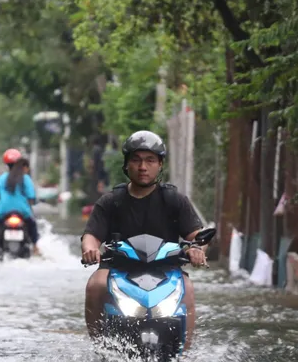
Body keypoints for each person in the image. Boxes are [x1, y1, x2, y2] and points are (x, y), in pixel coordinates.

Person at [80, 130, 207, 346]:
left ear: (160, 165)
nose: (142, 167)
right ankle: (100, 347)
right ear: (126, 164)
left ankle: (184, 355)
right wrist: (90, 249)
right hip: (119, 269)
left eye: (150, 160)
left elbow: (197, 236)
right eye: (136, 160)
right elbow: (91, 235)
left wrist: (197, 249)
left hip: (166, 269)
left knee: (189, 288)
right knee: (95, 284)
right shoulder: (111, 201)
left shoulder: (174, 200)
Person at [0, 148, 40, 255]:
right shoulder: (26, 178)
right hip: (22, 212)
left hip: (3, 211)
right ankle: (35, 248)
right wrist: (29, 208)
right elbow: (31, 198)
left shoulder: (2, 177)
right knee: (32, 225)